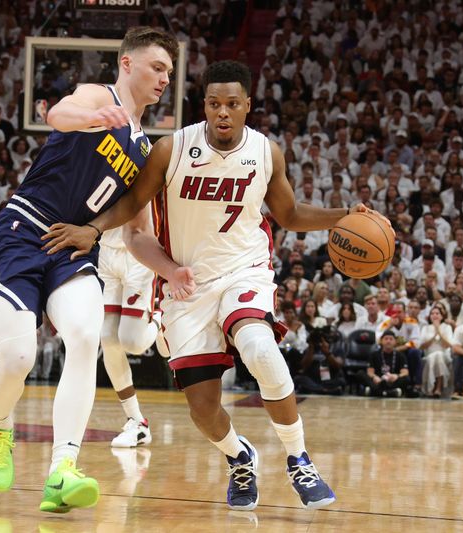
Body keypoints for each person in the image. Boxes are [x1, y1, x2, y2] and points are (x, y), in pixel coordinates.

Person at [42, 61, 393, 510]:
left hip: (244, 269)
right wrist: (92, 229)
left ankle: (299, 459)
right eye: (213, 104)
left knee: (260, 348)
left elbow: (287, 215)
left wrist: (342, 216)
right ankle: (239, 457)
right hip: (186, 286)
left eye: (231, 104)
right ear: (203, 105)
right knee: (204, 409)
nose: (222, 112)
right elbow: (133, 201)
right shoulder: (172, 149)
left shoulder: (266, 153)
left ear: (248, 105)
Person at [0, 26, 178, 514]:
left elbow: (136, 235)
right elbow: (57, 113)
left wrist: (176, 273)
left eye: (170, 73)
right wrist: (93, 117)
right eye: (157, 67)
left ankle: (61, 471)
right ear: (127, 64)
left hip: (73, 249)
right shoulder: (97, 95)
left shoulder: (145, 152)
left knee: (88, 336)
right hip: (23, 232)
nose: (164, 79)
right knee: (19, 359)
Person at [98, 224, 162, 448]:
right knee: (107, 337)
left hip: (139, 247)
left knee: (133, 342)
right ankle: (137, 421)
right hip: (105, 248)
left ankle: (161, 320)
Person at [363, 330, 411, 397]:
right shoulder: (374, 354)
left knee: (407, 378)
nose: (388, 341)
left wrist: (396, 376)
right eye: (386, 339)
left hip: (392, 381)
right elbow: (370, 372)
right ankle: (390, 392)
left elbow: (405, 372)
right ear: (381, 341)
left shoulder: (400, 355)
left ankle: (375, 391)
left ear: (395, 342)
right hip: (378, 380)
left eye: (391, 339)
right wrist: (375, 377)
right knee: (361, 374)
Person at [419, 305, 453, 398]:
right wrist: (434, 335)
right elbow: (421, 346)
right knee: (435, 356)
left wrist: (439, 331)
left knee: (438, 355)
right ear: (429, 316)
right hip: (429, 355)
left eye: (437, 313)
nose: (435, 315)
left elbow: (449, 345)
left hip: (444, 356)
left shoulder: (447, 327)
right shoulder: (425, 328)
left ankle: (436, 386)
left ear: (442, 316)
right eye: (432, 313)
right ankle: (437, 387)